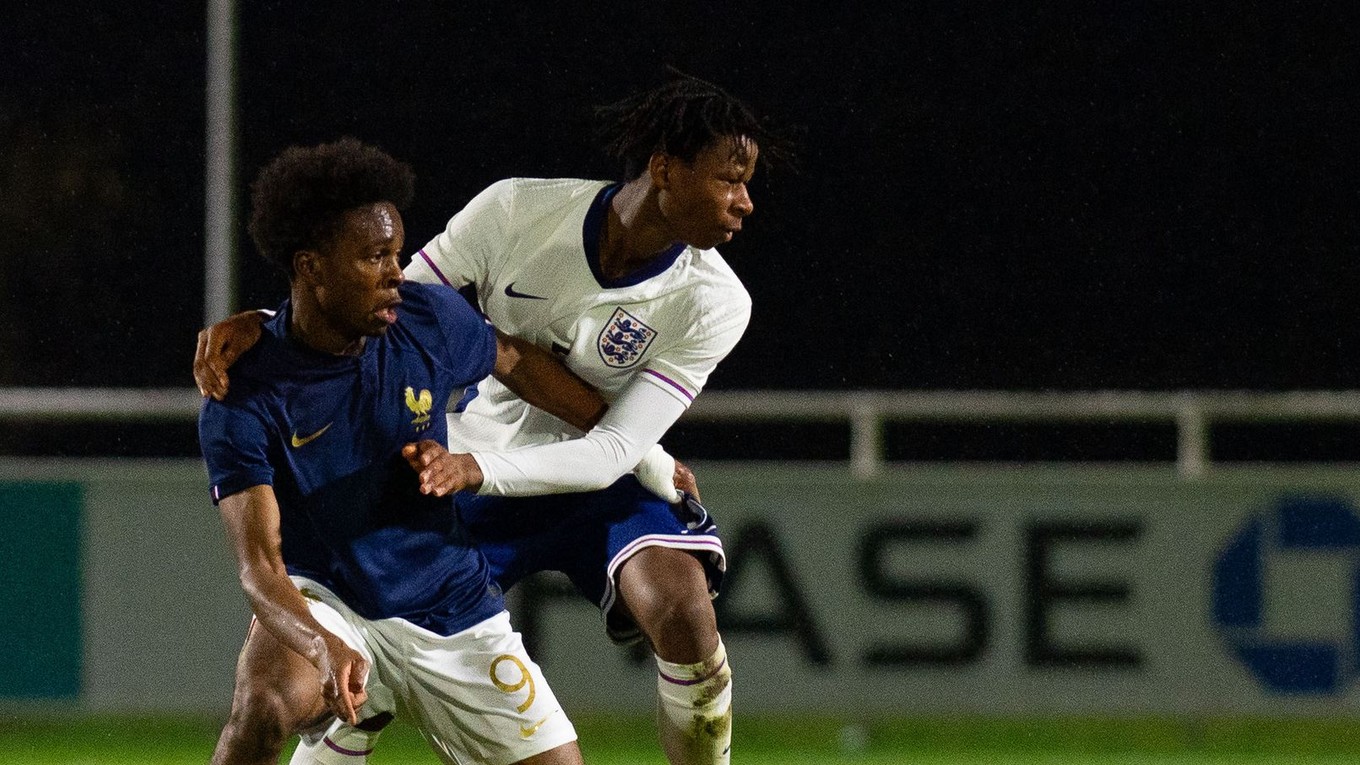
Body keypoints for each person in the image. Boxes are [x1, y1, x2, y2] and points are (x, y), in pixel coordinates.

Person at [197, 72, 787, 765]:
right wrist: (269, 329)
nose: (746, 202)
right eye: (730, 179)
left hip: (594, 469)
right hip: (470, 466)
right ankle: (358, 701)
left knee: (684, 610)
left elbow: (600, 436)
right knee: (325, 672)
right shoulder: (516, 212)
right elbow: (372, 306)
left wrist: (647, 459)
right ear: (666, 168)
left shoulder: (716, 300)